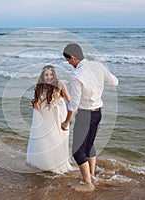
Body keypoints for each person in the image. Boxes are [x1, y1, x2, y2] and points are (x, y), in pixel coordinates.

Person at [61, 43, 118, 191]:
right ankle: (91, 175)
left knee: (77, 151)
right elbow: (114, 81)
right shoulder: (98, 66)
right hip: (98, 113)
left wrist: (66, 121)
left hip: (85, 115)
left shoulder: (76, 75)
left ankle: (87, 184)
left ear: (73, 58)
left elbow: (74, 103)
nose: (68, 63)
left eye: (68, 60)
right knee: (89, 146)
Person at [26, 65, 75, 174]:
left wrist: (69, 117)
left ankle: (58, 163)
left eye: (51, 74)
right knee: (46, 140)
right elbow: (37, 102)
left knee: (57, 139)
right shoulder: (39, 86)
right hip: (46, 116)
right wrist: (39, 119)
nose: (49, 77)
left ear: (54, 75)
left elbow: (70, 100)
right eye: (46, 75)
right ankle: (46, 163)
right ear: (43, 76)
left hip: (58, 116)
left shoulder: (60, 85)